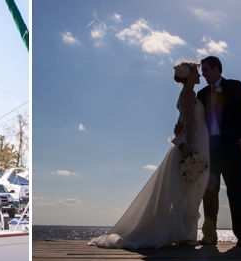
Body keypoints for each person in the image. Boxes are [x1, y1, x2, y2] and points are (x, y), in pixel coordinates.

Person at [89, 62, 210, 250]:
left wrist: (180, 128)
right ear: (188, 76)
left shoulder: (188, 94)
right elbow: (191, 121)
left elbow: (185, 119)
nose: (199, 76)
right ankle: (184, 235)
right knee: (189, 188)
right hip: (195, 142)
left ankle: (186, 234)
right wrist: (189, 145)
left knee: (191, 187)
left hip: (198, 140)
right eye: (196, 72)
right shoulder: (189, 94)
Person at [196, 55, 241, 247]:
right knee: (209, 192)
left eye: (205, 70)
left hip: (232, 147)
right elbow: (195, 119)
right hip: (209, 149)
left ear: (216, 69)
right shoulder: (201, 93)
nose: (202, 74)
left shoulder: (235, 86)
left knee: (237, 190)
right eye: (202, 71)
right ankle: (210, 235)